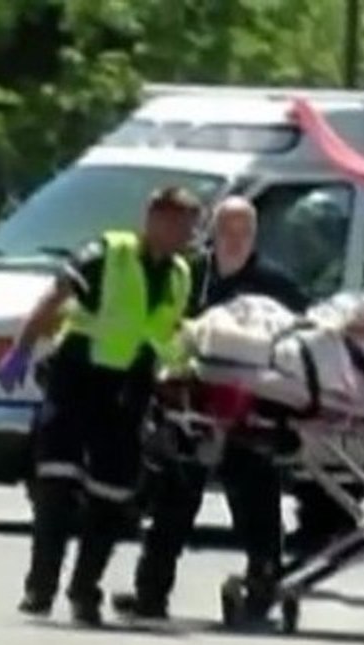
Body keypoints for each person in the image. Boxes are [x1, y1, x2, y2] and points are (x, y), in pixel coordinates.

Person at [0, 186, 200, 626]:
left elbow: (169, 331)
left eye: (191, 226)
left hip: (129, 387)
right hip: (78, 374)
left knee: (113, 492)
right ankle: (40, 586)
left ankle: (84, 589)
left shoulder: (182, 273)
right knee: (56, 483)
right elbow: (55, 296)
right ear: (155, 220)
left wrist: (180, 372)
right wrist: (22, 349)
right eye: (181, 224)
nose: (188, 235)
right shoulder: (110, 251)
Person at [111, 195, 310, 621]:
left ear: (255, 235)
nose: (235, 240)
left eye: (244, 232)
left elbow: (300, 340)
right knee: (175, 498)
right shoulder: (193, 274)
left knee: (255, 496)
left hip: (250, 410)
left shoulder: (276, 284)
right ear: (213, 233)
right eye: (227, 231)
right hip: (192, 405)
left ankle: (263, 585)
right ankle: (151, 592)